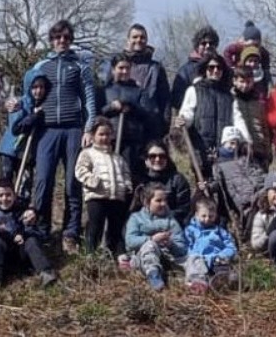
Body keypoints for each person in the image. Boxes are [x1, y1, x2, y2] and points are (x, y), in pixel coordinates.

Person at [22, 19, 98, 252]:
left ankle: (70, 233)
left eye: (66, 37)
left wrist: (89, 128)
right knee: (43, 180)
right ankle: (42, 230)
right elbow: (28, 95)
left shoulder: (80, 66)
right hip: (46, 130)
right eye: (57, 37)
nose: (61, 41)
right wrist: (22, 110)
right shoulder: (40, 66)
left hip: (73, 129)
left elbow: (89, 99)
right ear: (52, 40)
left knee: (73, 182)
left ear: (71, 39)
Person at [0, 179, 57, 287]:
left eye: (8, 195)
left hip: (18, 253)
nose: (5, 198)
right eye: (0, 195)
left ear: (15, 196)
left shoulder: (21, 211)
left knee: (31, 241)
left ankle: (46, 272)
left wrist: (23, 234)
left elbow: (36, 233)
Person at [100, 52, 164, 181]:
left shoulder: (139, 91)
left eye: (127, 68)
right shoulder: (104, 91)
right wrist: (111, 107)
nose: (124, 71)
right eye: (121, 68)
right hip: (108, 140)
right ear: (113, 69)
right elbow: (97, 113)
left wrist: (132, 107)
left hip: (132, 143)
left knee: (128, 177)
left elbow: (149, 114)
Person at [75, 116, 133, 255]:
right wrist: (92, 180)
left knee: (116, 228)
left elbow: (125, 173)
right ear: (93, 136)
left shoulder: (118, 157)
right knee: (95, 226)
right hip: (96, 195)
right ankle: (90, 255)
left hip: (116, 196)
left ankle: (116, 255)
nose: (105, 137)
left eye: (108, 134)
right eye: (101, 134)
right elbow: (80, 170)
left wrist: (127, 185)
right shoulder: (88, 153)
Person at [100, 24, 172, 129]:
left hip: (150, 124)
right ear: (128, 40)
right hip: (117, 125)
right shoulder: (117, 64)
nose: (138, 40)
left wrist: (165, 124)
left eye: (142, 37)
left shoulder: (156, 68)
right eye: (135, 37)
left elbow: (165, 99)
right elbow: (107, 92)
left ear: (146, 40)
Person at [175, 51, 232, 179]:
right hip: (201, 150)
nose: (215, 70)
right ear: (205, 70)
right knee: (204, 186)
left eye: (219, 68)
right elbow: (187, 114)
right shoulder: (194, 90)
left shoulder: (229, 96)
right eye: (211, 67)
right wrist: (183, 121)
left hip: (225, 152)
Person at [123, 182, 187, 291]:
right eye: (158, 200)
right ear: (147, 202)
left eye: (165, 200)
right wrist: (152, 239)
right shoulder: (136, 218)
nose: (163, 204)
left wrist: (171, 244)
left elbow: (181, 246)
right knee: (150, 246)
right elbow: (130, 241)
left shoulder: (171, 220)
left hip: (168, 257)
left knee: (195, 258)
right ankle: (154, 276)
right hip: (142, 259)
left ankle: (199, 282)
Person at [211, 127, 264, 233]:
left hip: (251, 198)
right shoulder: (217, 164)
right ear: (224, 143)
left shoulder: (246, 159)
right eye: (231, 143)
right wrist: (209, 186)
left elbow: (257, 175)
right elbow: (217, 184)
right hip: (234, 203)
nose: (234, 147)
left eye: (236, 143)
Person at [183, 197, 237, 293]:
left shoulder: (220, 231)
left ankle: (222, 280)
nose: (207, 219)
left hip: (216, 257)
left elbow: (230, 246)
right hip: (200, 258)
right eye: (203, 216)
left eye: (211, 216)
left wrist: (223, 254)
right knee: (194, 262)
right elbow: (187, 246)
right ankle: (199, 282)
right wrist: (193, 254)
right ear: (196, 215)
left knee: (222, 263)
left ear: (215, 215)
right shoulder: (190, 230)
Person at [140, 140, 193, 227]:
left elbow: (184, 210)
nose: (157, 159)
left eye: (162, 156)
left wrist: (161, 220)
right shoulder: (140, 182)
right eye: (152, 156)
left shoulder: (178, 180)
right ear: (146, 160)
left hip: (172, 225)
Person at [170, 25, 220, 114]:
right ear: (197, 46)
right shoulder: (185, 71)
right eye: (203, 43)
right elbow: (177, 100)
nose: (208, 46)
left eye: (211, 43)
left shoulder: (222, 68)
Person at [230, 67, 271, 167]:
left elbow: (264, 127)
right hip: (239, 151)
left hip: (259, 151)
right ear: (234, 81)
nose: (245, 85)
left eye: (248, 82)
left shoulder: (257, 103)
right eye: (241, 81)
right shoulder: (230, 100)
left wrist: (267, 150)